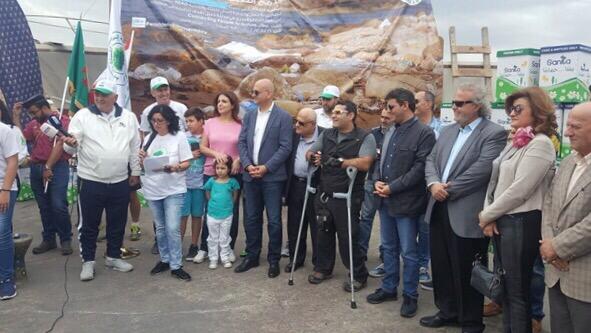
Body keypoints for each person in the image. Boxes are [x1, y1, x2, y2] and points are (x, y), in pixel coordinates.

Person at [420, 84, 507, 333]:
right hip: (438, 208)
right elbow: (430, 160)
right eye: (453, 103)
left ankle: (470, 321)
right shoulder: (447, 131)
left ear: (477, 106)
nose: (454, 108)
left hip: (466, 212)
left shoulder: (493, 133)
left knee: (468, 269)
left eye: (460, 103)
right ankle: (447, 312)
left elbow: (482, 170)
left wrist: (448, 189)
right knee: (442, 265)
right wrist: (433, 184)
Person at [478, 87, 557, 333]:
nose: (511, 113)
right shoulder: (517, 140)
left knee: (517, 291)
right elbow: (495, 182)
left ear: (538, 112)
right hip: (504, 220)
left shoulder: (541, 144)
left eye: (518, 108)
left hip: (521, 222)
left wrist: (487, 215)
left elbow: (520, 190)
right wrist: (489, 214)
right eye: (510, 108)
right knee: (508, 290)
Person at [366, 89, 436, 318]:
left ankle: (410, 295)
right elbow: (381, 159)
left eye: (391, 107)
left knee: (409, 251)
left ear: (405, 105)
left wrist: (392, 187)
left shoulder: (424, 133)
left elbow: (419, 169)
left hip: (406, 203)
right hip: (385, 201)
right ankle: (388, 288)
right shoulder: (391, 131)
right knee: (388, 247)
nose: (387, 111)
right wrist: (377, 180)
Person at [63, 80, 141, 281]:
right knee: (89, 224)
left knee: (117, 221)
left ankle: (113, 257)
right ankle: (88, 261)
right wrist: (70, 145)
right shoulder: (82, 116)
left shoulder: (129, 117)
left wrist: (136, 172)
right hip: (90, 180)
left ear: (115, 97)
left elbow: (134, 148)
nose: (100, 97)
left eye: (105, 94)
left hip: (120, 181)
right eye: (97, 93)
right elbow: (69, 147)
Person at [306, 100, 374, 291]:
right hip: (325, 193)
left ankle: (358, 274)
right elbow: (311, 152)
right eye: (332, 113)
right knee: (323, 231)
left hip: (348, 195)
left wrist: (338, 162)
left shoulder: (364, 137)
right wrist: (312, 157)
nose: (333, 115)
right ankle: (323, 268)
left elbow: (365, 163)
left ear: (351, 115)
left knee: (348, 236)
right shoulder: (327, 134)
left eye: (338, 112)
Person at [541, 101, 591, 333]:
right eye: (567, 125)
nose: (567, 132)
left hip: (584, 276)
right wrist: (550, 247)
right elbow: (549, 204)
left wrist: (558, 247)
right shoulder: (569, 161)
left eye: (575, 126)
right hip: (556, 272)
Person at [236, 79, 293, 278]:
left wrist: (266, 168)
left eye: (256, 92)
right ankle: (252, 256)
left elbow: (286, 147)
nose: (253, 95)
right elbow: (242, 142)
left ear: (269, 93)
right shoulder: (250, 115)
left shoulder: (283, 117)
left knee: (274, 220)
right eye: (253, 92)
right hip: (250, 176)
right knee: (251, 218)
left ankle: (273, 259)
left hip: (272, 178)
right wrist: (247, 165)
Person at [13, 95, 72, 256]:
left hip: (57, 167)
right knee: (43, 206)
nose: (32, 116)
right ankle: (49, 238)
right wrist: (16, 118)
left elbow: (62, 143)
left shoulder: (61, 120)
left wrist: (49, 166)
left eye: (34, 112)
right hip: (36, 167)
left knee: (58, 204)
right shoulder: (34, 124)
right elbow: (22, 139)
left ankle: (65, 238)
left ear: (44, 108)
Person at [140, 105, 193, 281]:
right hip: (153, 188)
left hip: (174, 188)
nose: (156, 124)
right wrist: (142, 159)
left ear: (169, 120)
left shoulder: (179, 137)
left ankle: (176, 265)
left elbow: (187, 162)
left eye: (160, 120)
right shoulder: (148, 138)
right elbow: (144, 166)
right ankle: (165, 259)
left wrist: (176, 167)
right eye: (153, 121)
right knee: (161, 229)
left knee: (172, 228)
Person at [139, 76, 188, 252]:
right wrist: (145, 156)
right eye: (159, 90)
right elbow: (144, 136)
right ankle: (160, 243)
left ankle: (175, 245)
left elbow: (188, 131)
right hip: (156, 167)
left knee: (175, 210)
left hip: (178, 162)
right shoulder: (147, 112)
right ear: (153, 93)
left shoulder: (180, 108)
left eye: (165, 88)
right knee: (159, 212)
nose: (163, 92)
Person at [196, 91, 243, 264]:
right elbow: (202, 147)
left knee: (232, 211)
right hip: (211, 172)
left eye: (225, 101)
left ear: (233, 105)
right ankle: (205, 248)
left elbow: (244, 148)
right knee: (210, 211)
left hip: (234, 174)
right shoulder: (209, 123)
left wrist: (238, 160)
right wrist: (216, 153)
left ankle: (228, 247)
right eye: (218, 101)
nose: (220, 104)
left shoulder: (240, 125)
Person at [284, 108, 321, 273]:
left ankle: (319, 263)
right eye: (296, 121)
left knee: (317, 227)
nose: (296, 125)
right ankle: (296, 259)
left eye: (301, 123)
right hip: (296, 185)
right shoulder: (293, 135)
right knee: (294, 224)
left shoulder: (325, 136)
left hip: (317, 186)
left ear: (313, 125)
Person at [359, 108, 395, 279]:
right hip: (371, 183)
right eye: (382, 117)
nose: (384, 120)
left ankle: (384, 255)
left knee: (386, 221)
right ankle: (361, 252)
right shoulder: (372, 135)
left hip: (389, 186)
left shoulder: (397, 135)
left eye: (388, 117)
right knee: (366, 218)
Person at [414, 90, 443, 290]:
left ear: (428, 104)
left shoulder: (441, 129)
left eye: (416, 101)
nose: (412, 104)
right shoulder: (409, 127)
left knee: (425, 227)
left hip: (429, 184)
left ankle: (423, 265)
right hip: (409, 184)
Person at [203, 157, 240, 269]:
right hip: (212, 214)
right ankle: (213, 258)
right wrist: (212, 203)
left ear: (229, 169)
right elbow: (207, 192)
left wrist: (230, 205)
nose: (220, 170)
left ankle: (224, 257)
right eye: (218, 168)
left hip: (227, 215)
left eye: (223, 168)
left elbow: (235, 194)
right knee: (213, 237)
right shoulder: (211, 181)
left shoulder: (232, 182)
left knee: (224, 237)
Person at [180, 107, 206, 261]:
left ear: (201, 121)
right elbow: (175, 156)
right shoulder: (182, 137)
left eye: (191, 121)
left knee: (197, 215)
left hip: (200, 184)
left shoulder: (207, 137)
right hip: (183, 183)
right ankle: (178, 244)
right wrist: (190, 155)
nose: (188, 124)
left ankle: (194, 245)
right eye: (186, 121)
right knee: (182, 216)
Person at [0, 121, 20, 300]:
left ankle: (6, 279)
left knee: (2, 232)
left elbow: (13, 161)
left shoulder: (4, 131)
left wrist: (5, 190)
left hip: (3, 188)